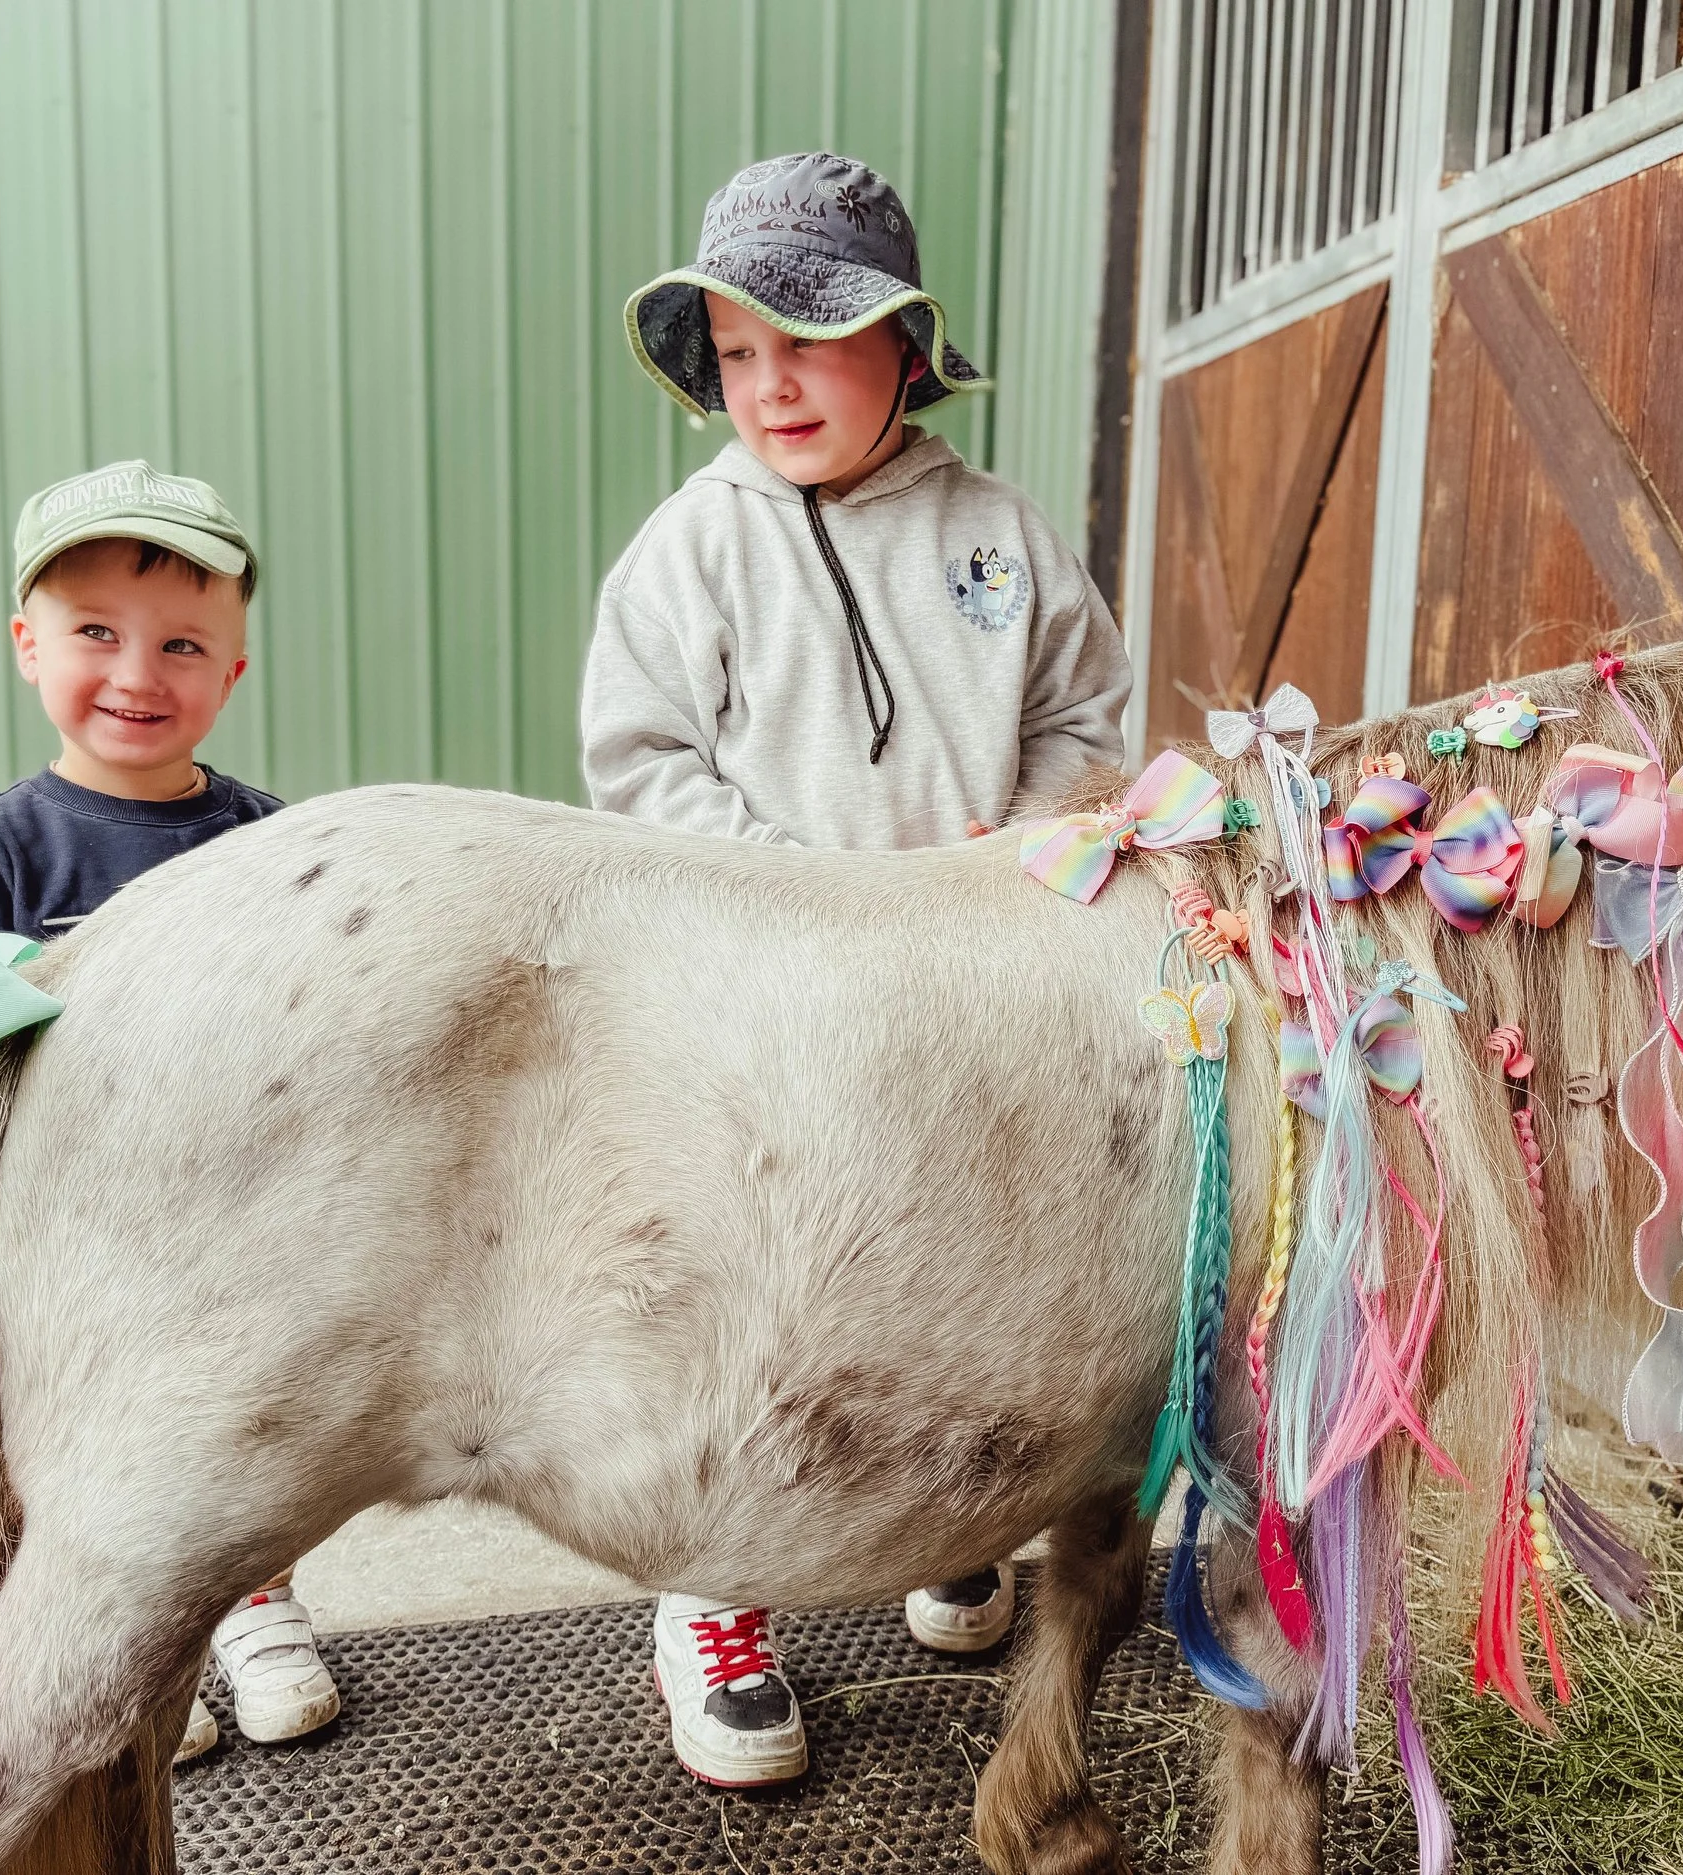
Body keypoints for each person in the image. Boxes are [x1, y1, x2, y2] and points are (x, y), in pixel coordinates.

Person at [584, 152, 1134, 1787]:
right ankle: (718, 1592)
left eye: (810, 344)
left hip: (973, 981)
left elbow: (1085, 723)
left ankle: (945, 1525)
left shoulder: (997, 538)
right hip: (771, 1001)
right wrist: (787, 887)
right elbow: (640, 755)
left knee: (963, 1263)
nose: (772, 385)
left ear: (903, 347)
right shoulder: (693, 552)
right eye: (740, 353)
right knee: (759, 1290)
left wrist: (1019, 847)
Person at [0, 461, 338, 1767]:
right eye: (96, 632)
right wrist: (15, 996)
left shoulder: (265, 836)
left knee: (247, 1421)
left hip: (233, 1198)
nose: (139, 671)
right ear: (27, 644)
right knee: (91, 1436)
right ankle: (141, 1649)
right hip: (73, 1213)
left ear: (233, 674)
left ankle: (253, 1603)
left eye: (183, 644)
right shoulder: (7, 847)